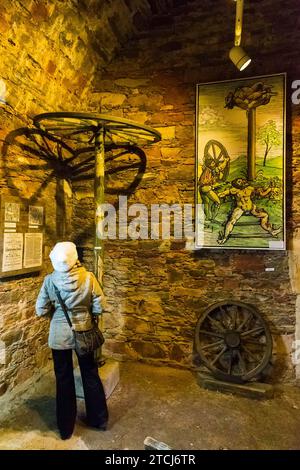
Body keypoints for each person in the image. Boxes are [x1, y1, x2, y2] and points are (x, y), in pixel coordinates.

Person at [35, 241, 108, 440]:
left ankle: (66, 428)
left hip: (59, 335)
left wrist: (55, 311)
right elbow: (100, 307)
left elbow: (40, 309)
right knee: (90, 374)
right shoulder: (88, 278)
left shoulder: (50, 281)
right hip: (83, 332)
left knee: (63, 378)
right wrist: (86, 312)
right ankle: (98, 419)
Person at [217, 178, 281, 244]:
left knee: (265, 215)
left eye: (241, 180)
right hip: (240, 208)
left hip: (251, 207)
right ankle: (224, 238)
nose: (241, 181)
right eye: (239, 181)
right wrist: (221, 194)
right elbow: (223, 193)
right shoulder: (234, 190)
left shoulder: (250, 188)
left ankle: (271, 231)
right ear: (236, 184)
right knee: (231, 221)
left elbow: (262, 194)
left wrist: (270, 189)